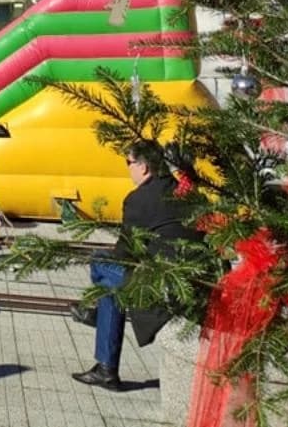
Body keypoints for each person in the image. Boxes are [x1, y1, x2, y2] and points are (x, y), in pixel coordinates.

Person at [70, 140, 203, 391]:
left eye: (128, 163)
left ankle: (104, 351)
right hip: (193, 279)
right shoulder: (183, 191)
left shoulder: (139, 199)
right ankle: (105, 365)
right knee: (111, 284)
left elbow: (125, 254)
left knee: (101, 262)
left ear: (143, 167)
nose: (128, 169)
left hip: (163, 284)